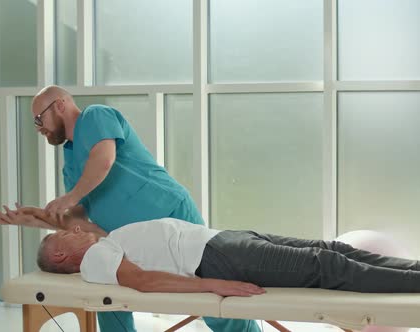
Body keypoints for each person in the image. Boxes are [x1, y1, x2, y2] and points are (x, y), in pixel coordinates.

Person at [23, 85, 259, 332]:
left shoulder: (95, 116)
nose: (39, 128)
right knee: (108, 300)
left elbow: (103, 160)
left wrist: (70, 197)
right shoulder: (70, 162)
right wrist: (37, 219)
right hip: (124, 240)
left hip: (169, 215)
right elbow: (82, 220)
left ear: (60, 105)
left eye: (39, 118)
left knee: (209, 298)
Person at [0, 206, 420, 295]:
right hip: (215, 260)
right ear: (61, 257)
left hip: (220, 239)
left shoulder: (99, 242)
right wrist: (211, 286)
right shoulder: (97, 261)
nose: (77, 232)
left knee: (329, 247)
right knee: (326, 266)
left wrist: (39, 217)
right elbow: (145, 282)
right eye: (67, 238)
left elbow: (75, 220)